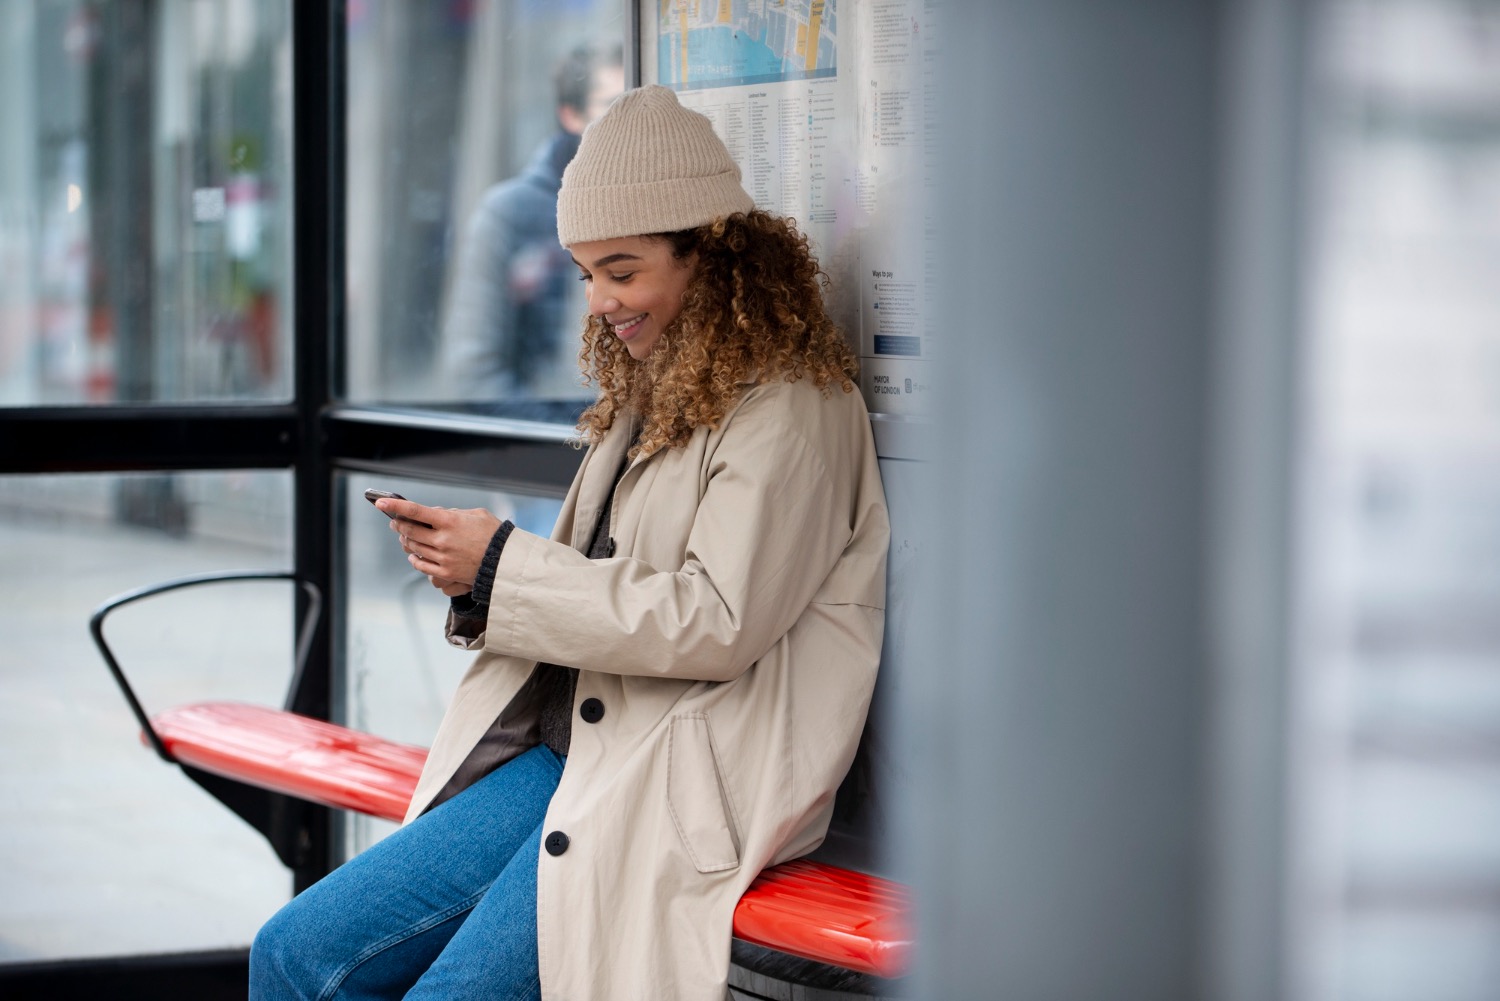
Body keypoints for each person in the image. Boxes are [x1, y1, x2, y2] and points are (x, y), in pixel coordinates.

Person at [250, 85, 890, 1001]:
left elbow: (715, 620)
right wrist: (477, 579)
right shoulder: (658, 385)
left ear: (712, 253)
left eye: (622, 271)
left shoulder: (790, 404)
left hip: (667, 783)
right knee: (292, 951)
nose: (599, 302)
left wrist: (501, 566)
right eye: (586, 273)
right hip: (568, 751)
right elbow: (606, 587)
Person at [441, 41, 624, 402]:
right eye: (612, 107)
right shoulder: (509, 213)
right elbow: (474, 371)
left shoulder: (654, 205)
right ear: (572, 115)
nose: (627, 126)